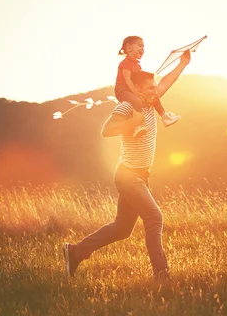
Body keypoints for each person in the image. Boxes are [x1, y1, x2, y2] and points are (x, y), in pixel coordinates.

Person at [62, 50, 192, 282]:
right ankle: (161, 274)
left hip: (140, 176)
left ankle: (75, 252)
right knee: (155, 218)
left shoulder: (151, 104)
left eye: (154, 87)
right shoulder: (127, 107)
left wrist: (182, 63)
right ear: (137, 90)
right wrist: (133, 122)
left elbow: (166, 81)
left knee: (122, 229)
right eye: (150, 88)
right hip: (127, 176)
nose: (155, 91)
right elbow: (106, 130)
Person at [115, 35, 181, 137]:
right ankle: (136, 126)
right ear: (129, 48)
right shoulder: (125, 63)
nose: (142, 49)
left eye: (143, 47)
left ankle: (165, 117)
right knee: (137, 100)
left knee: (154, 96)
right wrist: (136, 93)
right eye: (140, 46)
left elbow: (140, 80)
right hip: (123, 91)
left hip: (134, 89)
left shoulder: (137, 65)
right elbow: (128, 80)